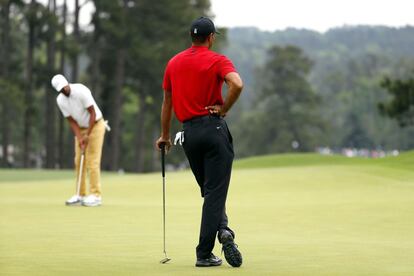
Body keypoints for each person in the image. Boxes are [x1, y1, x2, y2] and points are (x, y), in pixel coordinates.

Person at [156, 17, 244, 267]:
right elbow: (237, 84)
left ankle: (224, 230)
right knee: (215, 192)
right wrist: (225, 108)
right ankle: (204, 253)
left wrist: (164, 135)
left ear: (191, 37)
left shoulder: (173, 63)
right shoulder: (217, 60)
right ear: (211, 37)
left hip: (189, 135)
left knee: (210, 191)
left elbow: (167, 103)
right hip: (213, 130)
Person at [51, 74, 106, 207]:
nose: (64, 91)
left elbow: (92, 112)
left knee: (92, 160)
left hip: (96, 125)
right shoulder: (60, 100)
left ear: (67, 83)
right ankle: (80, 194)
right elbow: (71, 121)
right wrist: (80, 137)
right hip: (80, 128)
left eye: (65, 87)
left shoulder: (81, 90)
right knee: (79, 161)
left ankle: (96, 195)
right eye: (61, 90)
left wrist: (88, 134)